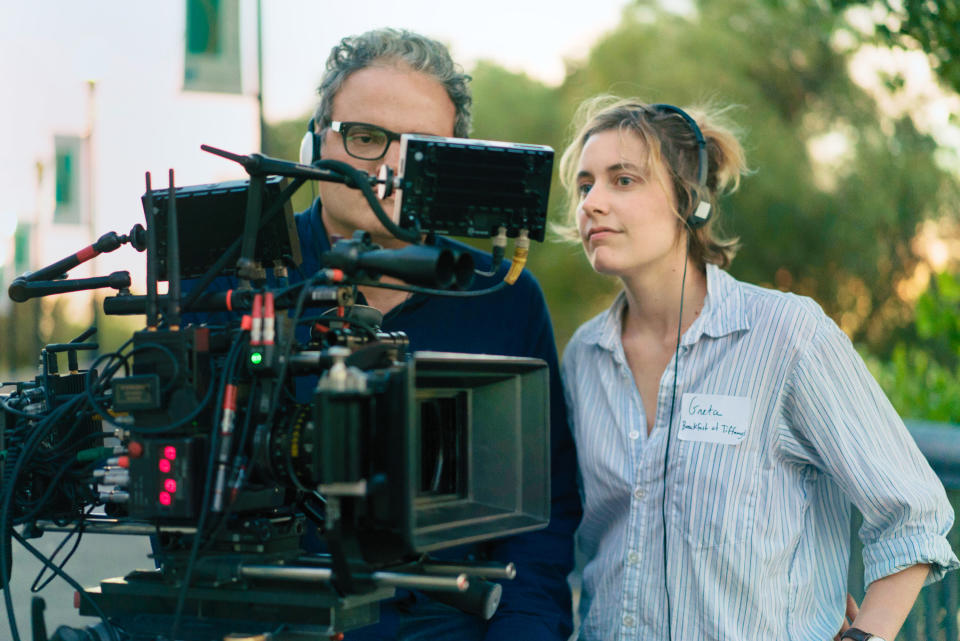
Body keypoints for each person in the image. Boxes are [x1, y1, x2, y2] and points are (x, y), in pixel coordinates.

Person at [557, 96, 959, 641]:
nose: (592, 204)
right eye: (585, 186)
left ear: (690, 200)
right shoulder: (583, 355)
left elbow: (912, 513)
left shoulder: (787, 334)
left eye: (622, 180)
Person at [293, 29, 580, 640]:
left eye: (421, 147)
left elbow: (541, 520)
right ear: (316, 140)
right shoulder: (232, 276)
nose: (391, 169)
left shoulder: (503, 295)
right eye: (367, 138)